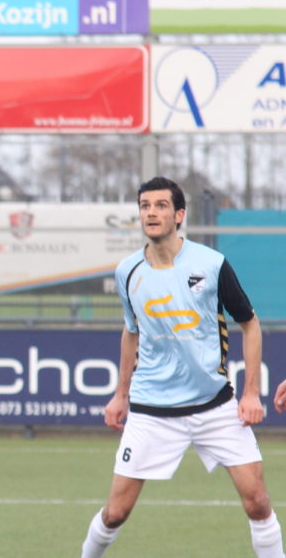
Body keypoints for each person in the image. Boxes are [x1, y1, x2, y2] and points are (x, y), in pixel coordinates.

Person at [80, 176, 284, 558]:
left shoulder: (211, 264)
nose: (151, 213)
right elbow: (131, 333)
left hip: (215, 406)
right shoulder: (128, 271)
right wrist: (120, 395)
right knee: (115, 512)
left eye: (160, 206)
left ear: (179, 215)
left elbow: (250, 323)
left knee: (257, 500)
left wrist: (251, 391)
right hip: (151, 410)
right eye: (144, 206)